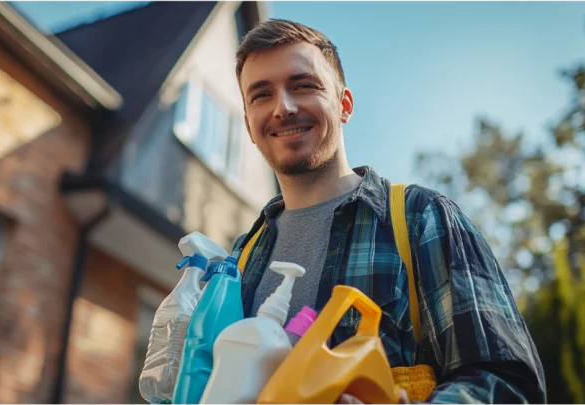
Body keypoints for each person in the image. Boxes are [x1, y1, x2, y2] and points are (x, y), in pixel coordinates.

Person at [231, 19, 546, 405]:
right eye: (261, 95)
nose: (284, 107)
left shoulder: (422, 220)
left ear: (344, 105)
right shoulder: (239, 260)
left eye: (303, 86)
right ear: (248, 124)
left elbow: (508, 386)